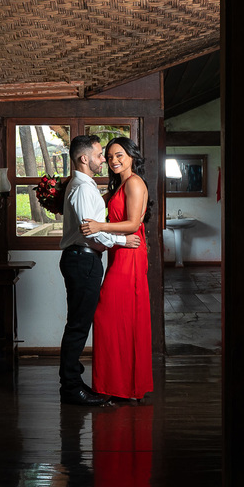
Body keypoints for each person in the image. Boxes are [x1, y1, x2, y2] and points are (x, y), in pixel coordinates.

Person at [57, 135, 141, 406]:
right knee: (79, 325)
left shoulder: (90, 186)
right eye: (99, 155)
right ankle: (71, 387)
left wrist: (112, 234)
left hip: (87, 259)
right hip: (83, 259)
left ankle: (79, 381)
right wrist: (121, 240)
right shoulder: (83, 188)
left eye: (116, 155)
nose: (105, 159)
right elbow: (90, 231)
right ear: (84, 159)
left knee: (81, 323)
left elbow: (97, 227)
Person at [81, 137, 154, 403]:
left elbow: (133, 224)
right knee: (115, 318)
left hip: (130, 254)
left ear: (132, 155)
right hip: (119, 253)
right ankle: (116, 385)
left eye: (119, 155)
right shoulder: (118, 186)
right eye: (109, 156)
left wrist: (101, 227)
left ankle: (120, 386)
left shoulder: (134, 182)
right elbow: (93, 207)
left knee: (110, 315)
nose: (113, 160)